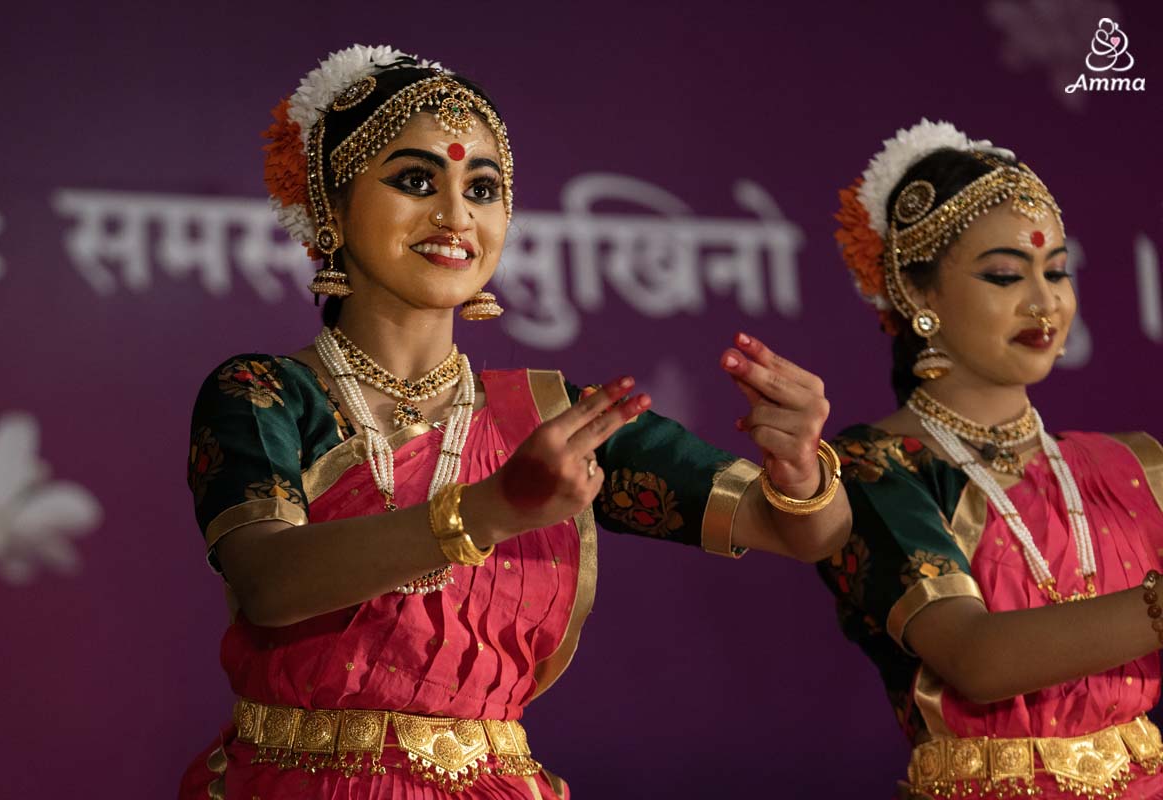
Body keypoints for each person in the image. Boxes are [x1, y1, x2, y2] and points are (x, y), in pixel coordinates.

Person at [180, 45, 850, 799]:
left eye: (484, 187)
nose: (456, 215)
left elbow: (800, 533)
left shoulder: (552, 420)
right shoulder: (265, 393)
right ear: (330, 206)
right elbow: (270, 582)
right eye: (414, 181)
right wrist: (493, 508)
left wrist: (802, 472)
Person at [818, 119, 1163, 799]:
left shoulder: (1132, 465)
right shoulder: (872, 469)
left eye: (1057, 271)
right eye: (1006, 275)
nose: (1046, 302)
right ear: (919, 295)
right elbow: (975, 657)